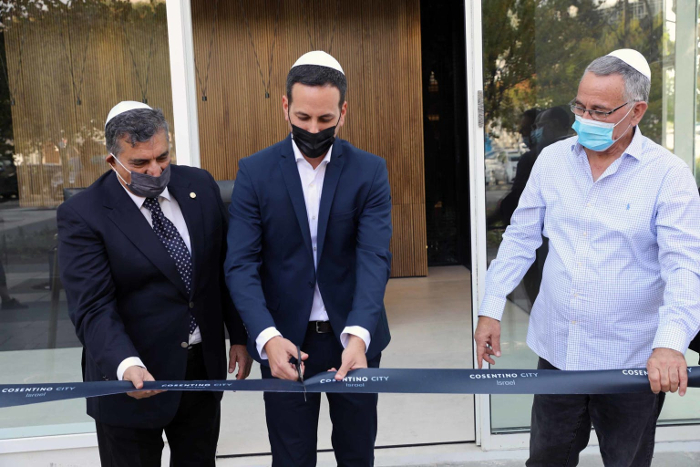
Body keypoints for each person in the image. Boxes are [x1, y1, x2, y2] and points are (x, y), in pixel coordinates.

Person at [474, 49, 700, 466]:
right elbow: (521, 238)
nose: (584, 120)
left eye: (599, 111)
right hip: (558, 354)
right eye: (580, 106)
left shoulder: (669, 176)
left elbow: (684, 268)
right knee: (546, 459)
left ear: (637, 111)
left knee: (627, 461)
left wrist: (670, 345)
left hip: (631, 363)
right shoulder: (553, 160)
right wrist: (490, 309)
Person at [57, 101, 252, 467]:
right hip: (130, 380)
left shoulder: (199, 185)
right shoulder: (84, 214)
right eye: (140, 163)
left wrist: (238, 335)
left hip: (199, 372)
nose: (156, 169)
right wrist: (125, 363)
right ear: (112, 161)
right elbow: (93, 306)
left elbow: (221, 268)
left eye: (162, 157)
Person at [225, 51, 392, 467]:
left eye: (324, 119)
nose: (314, 129)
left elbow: (374, 257)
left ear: (343, 111)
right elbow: (240, 264)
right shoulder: (255, 172)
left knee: (357, 453)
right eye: (303, 118)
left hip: (352, 341)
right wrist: (266, 337)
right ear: (285, 106)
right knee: (291, 456)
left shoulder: (369, 171)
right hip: (283, 342)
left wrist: (359, 337)